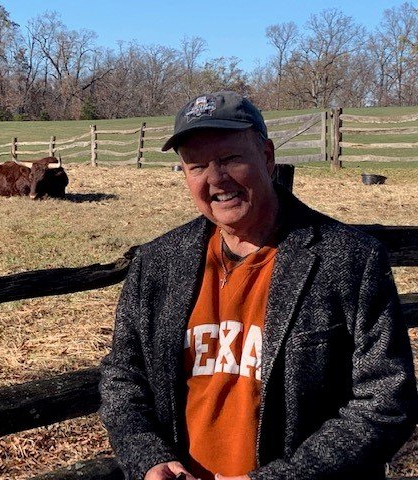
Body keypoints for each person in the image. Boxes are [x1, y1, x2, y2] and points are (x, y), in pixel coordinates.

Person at [99, 91, 417, 480]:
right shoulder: (158, 263)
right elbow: (123, 377)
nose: (216, 179)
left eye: (230, 159)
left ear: (266, 156)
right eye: (196, 166)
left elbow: (385, 401)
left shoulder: (349, 259)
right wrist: (148, 458)